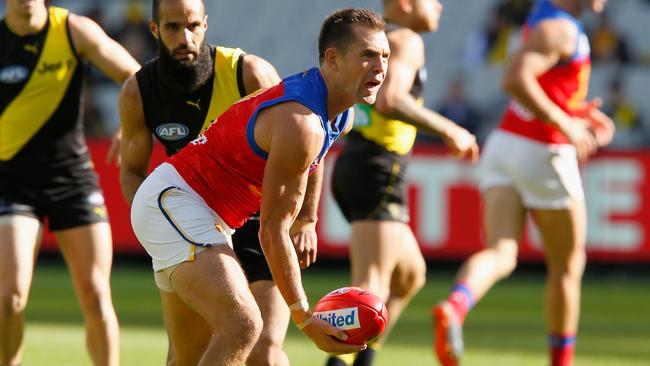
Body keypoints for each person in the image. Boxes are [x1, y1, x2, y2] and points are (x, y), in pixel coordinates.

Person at [128, 7, 389, 365]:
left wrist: (309, 217)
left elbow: (317, 157)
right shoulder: (302, 123)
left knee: (189, 356)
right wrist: (305, 317)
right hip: (176, 203)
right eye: (368, 56)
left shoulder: (338, 114)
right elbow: (272, 231)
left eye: (385, 56)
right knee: (244, 325)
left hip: (194, 211)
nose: (380, 67)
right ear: (333, 59)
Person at [118, 0, 305, 364]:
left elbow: (304, 136)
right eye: (173, 28)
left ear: (205, 24)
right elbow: (131, 170)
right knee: (186, 356)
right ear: (155, 30)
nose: (185, 37)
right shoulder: (139, 91)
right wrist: (157, 230)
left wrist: (306, 217)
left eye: (192, 26)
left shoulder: (246, 73)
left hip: (255, 221)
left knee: (264, 351)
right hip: (190, 219)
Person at [433, 1, 615, 366]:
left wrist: (577, 113)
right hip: (544, 152)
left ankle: (455, 305)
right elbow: (515, 79)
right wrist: (565, 124)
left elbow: (541, 85)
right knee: (567, 267)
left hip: (506, 145)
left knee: (502, 251)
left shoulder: (546, 18)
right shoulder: (561, 28)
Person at [327, 1, 479, 366]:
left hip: (356, 161)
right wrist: (448, 128)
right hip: (379, 164)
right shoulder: (407, 39)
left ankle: (363, 355)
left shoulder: (372, 41)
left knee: (410, 275)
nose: (441, 6)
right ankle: (344, 360)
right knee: (370, 286)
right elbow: (390, 101)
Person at [0, 1, 140, 365]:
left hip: (73, 180)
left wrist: (129, 124)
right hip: (12, 184)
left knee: (95, 294)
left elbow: (135, 76)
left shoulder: (72, 30)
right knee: (9, 297)